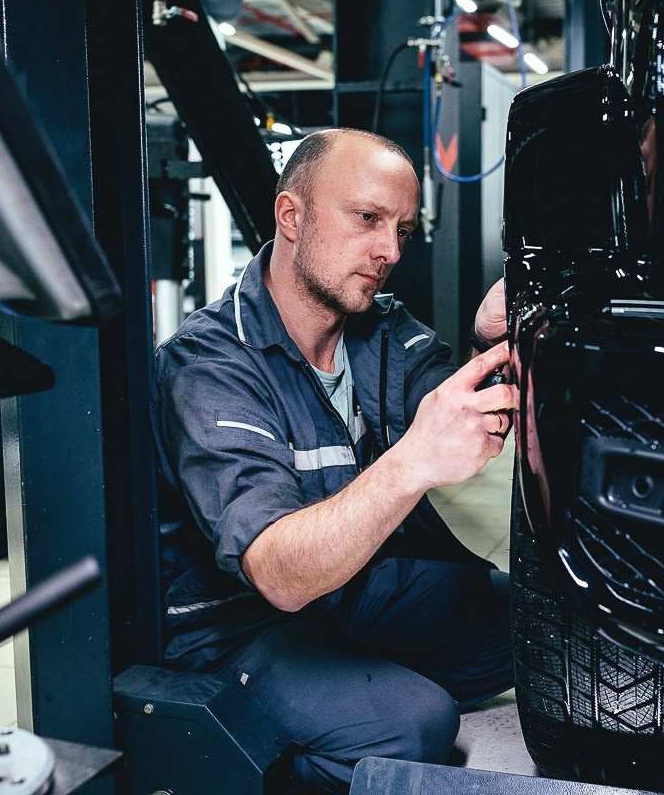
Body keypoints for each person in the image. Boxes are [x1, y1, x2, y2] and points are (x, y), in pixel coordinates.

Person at [150, 127, 517, 794]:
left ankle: (358, 694)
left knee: (521, 620)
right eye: (368, 219)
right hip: (236, 627)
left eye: (402, 230)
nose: (388, 252)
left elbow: (452, 408)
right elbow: (280, 575)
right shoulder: (209, 365)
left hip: (348, 592)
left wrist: (489, 344)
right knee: (413, 723)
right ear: (291, 216)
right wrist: (411, 462)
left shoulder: (384, 331)